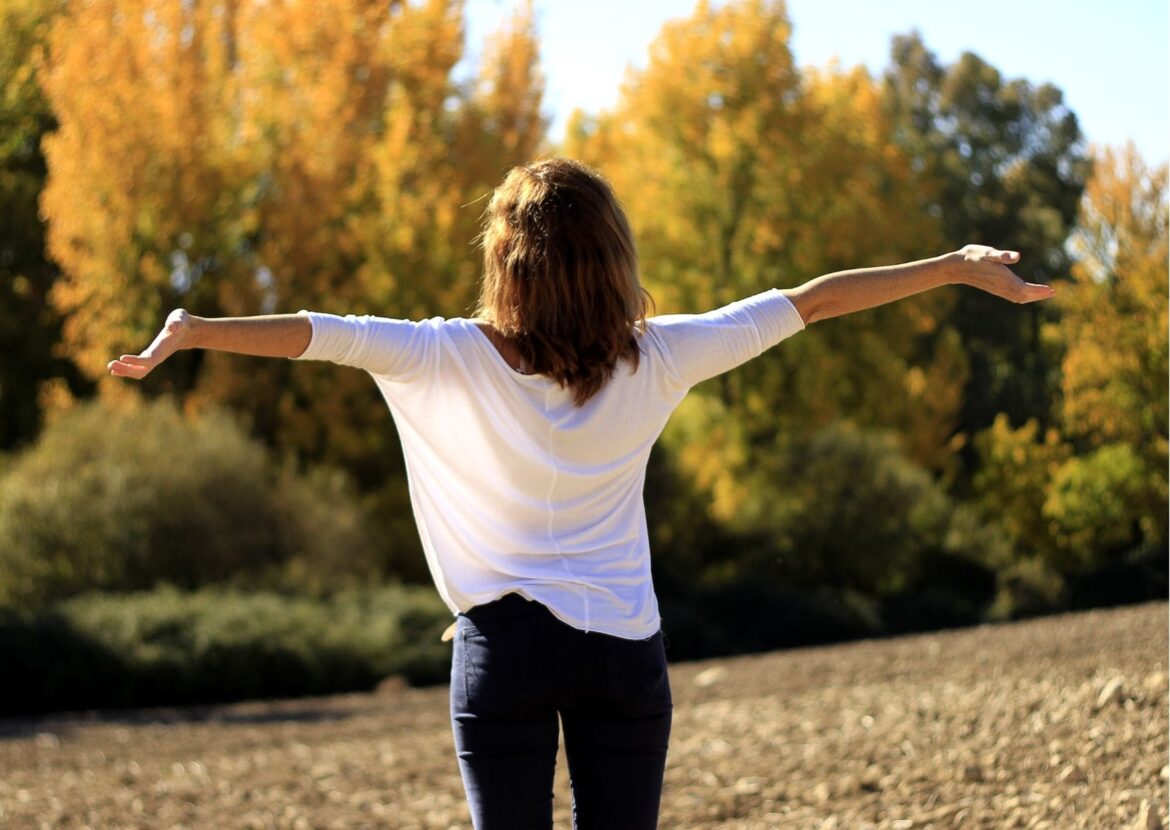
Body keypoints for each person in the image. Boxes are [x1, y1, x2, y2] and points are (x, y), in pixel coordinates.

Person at [108, 157, 1054, 829]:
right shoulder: (664, 356)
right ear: (614, 260)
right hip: (624, 655)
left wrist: (193, 330)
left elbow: (317, 333)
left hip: (503, 654)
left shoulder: (442, 356)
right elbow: (812, 301)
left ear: (504, 265)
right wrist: (952, 269)